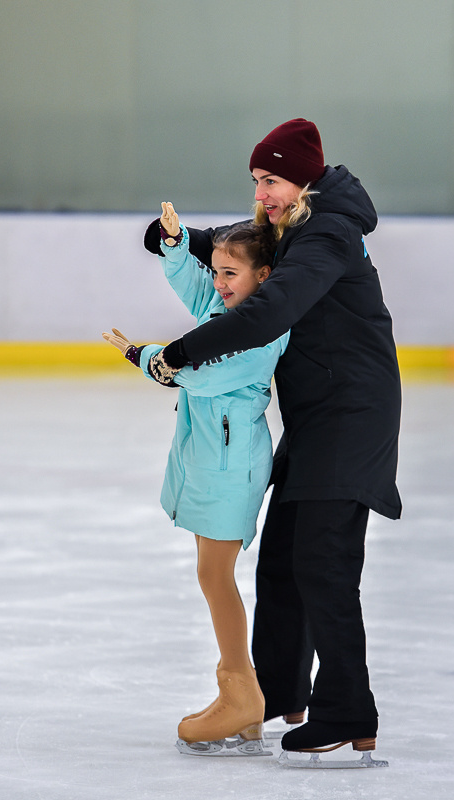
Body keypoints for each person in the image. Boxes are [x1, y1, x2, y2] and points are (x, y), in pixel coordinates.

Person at [141, 119, 402, 762]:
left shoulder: (329, 233)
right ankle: (277, 689)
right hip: (318, 416)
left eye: (273, 180)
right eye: (257, 180)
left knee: (323, 564)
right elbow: (248, 250)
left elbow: (271, 307)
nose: (262, 194)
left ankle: (348, 707)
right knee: (283, 561)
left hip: (352, 417)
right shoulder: (295, 223)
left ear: (305, 178)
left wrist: (179, 353)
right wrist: (185, 241)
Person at [102, 202, 289, 756]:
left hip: (230, 466)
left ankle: (242, 696)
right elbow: (196, 291)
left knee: (216, 577)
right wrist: (180, 246)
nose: (220, 283)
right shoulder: (227, 308)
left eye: (232, 273)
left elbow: (197, 373)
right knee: (213, 575)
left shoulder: (259, 331)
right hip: (214, 458)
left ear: (265, 276)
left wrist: (143, 354)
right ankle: (242, 700)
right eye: (218, 270)